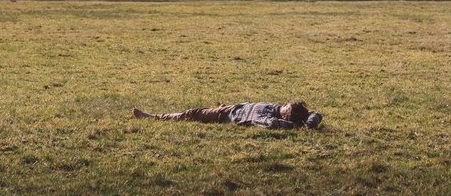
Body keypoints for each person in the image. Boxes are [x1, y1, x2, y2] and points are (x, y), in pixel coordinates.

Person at [133, 100, 323, 130]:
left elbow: (271, 124)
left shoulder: (270, 119)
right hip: (232, 106)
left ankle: (154, 118)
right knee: (193, 112)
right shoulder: (276, 108)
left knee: (191, 113)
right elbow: (317, 114)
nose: (284, 104)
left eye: (286, 107)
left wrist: (297, 126)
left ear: (286, 115)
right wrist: (310, 122)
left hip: (224, 114)